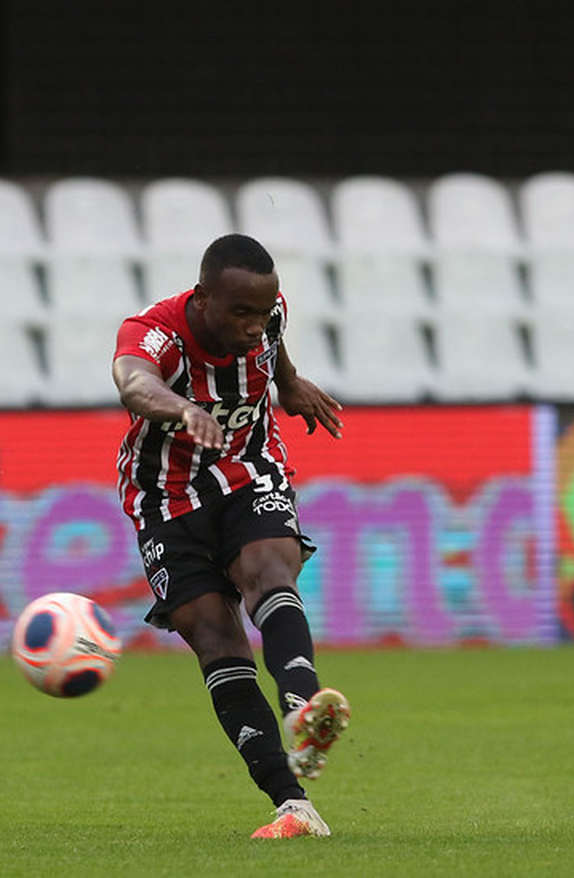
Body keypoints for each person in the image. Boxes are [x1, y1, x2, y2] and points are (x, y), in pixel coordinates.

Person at [112, 233, 350, 839]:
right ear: (203, 299)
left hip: (249, 468)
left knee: (268, 570)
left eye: (262, 313)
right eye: (239, 313)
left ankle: (303, 706)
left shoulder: (269, 317)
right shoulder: (155, 332)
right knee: (216, 637)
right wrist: (178, 408)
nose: (253, 326)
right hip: (165, 498)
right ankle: (294, 805)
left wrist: (289, 383)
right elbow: (132, 382)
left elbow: (274, 348)